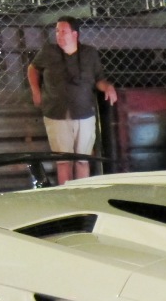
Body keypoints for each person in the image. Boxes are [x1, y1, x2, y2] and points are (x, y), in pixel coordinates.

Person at [28, 16, 118, 184]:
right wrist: (35, 90)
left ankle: (82, 195)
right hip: (56, 113)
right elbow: (33, 68)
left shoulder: (89, 53)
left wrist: (107, 87)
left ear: (75, 34)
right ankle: (67, 196)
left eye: (64, 32)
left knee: (83, 159)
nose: (59, 35)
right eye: (57, 31)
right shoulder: (48, 51)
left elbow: (99, 79)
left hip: (84, 112)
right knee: (63, 161)